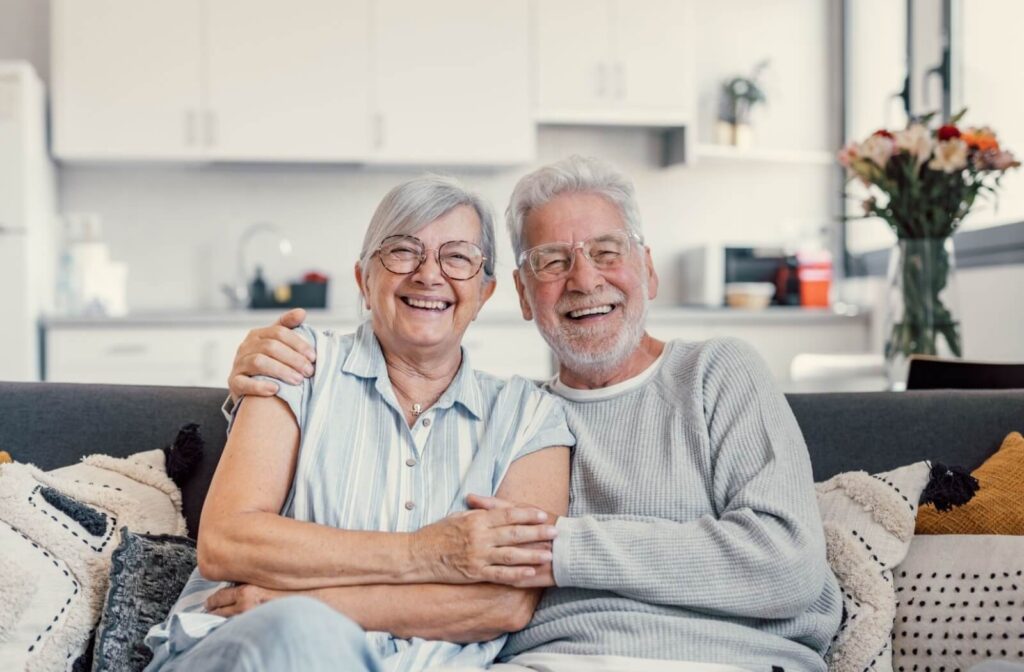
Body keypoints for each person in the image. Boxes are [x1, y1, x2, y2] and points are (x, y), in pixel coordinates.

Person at [228, 156, 843, 672]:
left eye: (607, 252)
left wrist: (558, 547)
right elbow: (476, 593)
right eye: (552, 262)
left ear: (648, 270)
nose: (583, 280)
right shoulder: (519, 417)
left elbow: (785, 564)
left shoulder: (717, 373)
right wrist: (252, 389)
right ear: (521, 294)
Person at [144, 175, 574, 672]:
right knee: (298, 635)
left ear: (485, 291)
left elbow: (502, 603)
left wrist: (311, 602)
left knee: (303, 623)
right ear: (363, 280)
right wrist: (426, 554)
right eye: (402, 251)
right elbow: (228, 543)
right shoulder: (298, 363)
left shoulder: (531, 417)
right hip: (254, 650)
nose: (428, 275)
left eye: (457, 257)